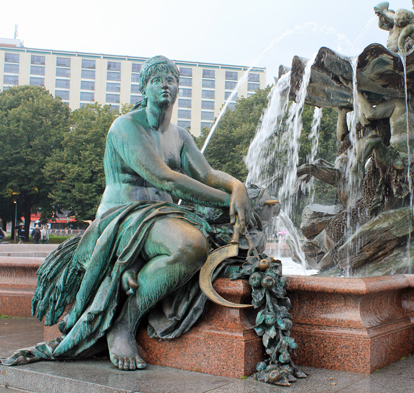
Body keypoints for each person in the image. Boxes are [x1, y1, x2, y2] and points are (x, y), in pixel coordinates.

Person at [2, 56, 254, 371]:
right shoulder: (125, 126)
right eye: (156, 79)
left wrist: (238, 188)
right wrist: (226, 200)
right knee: (190, 246)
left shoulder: (180, 136)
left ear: (178, 89)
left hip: (160, 215)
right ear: (143, 88)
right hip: (123, 215)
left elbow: (208, 174)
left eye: (171, 79)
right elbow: (164, 177)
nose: (165, 84)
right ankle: (123, 324)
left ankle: (130, 307)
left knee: (204, 239)